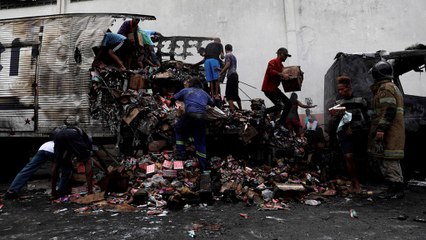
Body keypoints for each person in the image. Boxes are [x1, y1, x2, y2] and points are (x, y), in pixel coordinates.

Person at [368, 61, 405, 199]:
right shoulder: (392, 87)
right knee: (389, 159)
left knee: (389, 160)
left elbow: (389, 109)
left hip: (390, 132)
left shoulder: (385, 88)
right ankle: (393, 188)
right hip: (393, 130)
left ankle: (397, 189)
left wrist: (381, 129)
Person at [329, 76, 370, 194]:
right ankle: (355, 182)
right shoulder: (338, 103)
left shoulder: (360, 101)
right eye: (339, 90)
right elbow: (336, 121)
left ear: (349, 87)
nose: (340, 92)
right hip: (344, 134)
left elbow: (366, 117)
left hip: (359, 133)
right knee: (348, 157)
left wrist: (368, 131)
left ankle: (361, 181)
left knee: (360, 158)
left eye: (342, 89)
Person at [172, 77, 214, 172]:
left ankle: (182, 154)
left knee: (179, 129)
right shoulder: (204, 93)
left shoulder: (186, 90)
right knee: (200, 141)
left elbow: (173, 98)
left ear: (190, 84)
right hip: (202, 117)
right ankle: (204, 166)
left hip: (189, 115)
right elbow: (213, 104)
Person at [51, 116, 94, 198]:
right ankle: (90, 192)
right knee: (88, 161)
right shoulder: (81, 133)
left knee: (56, 163)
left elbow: (68, 152)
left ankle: (53, 192)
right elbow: (87, 154)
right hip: (72, 135)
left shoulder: (62, 129)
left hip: (58, 136)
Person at [261, 47, 292, 126]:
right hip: (268, 89)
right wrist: (282, 74)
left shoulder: (281, 66)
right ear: (280, 54)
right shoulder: (272, 62)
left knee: (288, 103)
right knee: (279, 106)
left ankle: (280, 124)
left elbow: (281, 77)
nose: (285, 58)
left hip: (274, 89)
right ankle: (263, 112)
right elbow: (270, 71)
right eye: (285, 55)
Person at [219, 44, 241, 112]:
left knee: (229, 95)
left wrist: (221, 73)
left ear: (225, 50)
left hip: (231, 76)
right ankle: (240, 109)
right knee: (235, 94)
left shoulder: (227, 55)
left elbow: (227, 65)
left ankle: (233, 111)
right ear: (232, 49)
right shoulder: (234, 56)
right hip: (235, 75)